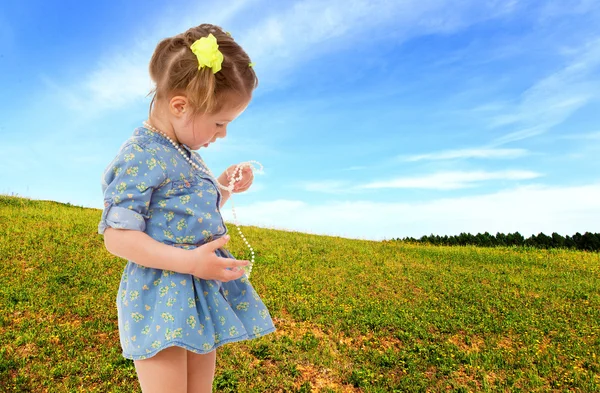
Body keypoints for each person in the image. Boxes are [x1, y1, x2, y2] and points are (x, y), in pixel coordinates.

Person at [98, 23, 276, 393]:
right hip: (160, 293)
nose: (222, 134)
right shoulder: (142, 154)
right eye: (219, 123)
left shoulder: (185, 153)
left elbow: (189, 214)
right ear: (180, 105)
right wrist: (190, 262)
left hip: (198, 291)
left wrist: (223, 186)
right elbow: (117, 236)